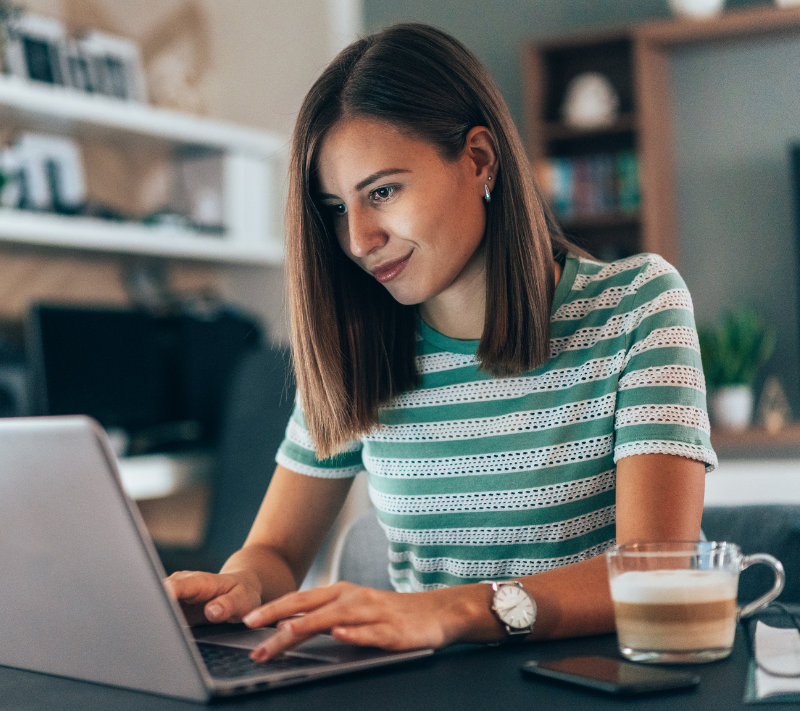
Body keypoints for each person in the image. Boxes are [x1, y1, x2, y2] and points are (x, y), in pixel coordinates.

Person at [166, 23, 716, 662]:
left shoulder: (635, 304)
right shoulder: (357, 347)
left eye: (383, 192)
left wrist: (452, 609)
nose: (360, 240)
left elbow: (657, 572)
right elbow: (278, 553)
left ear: (479, 159)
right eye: (337, 208)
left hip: (606, 685)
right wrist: (235, 587)